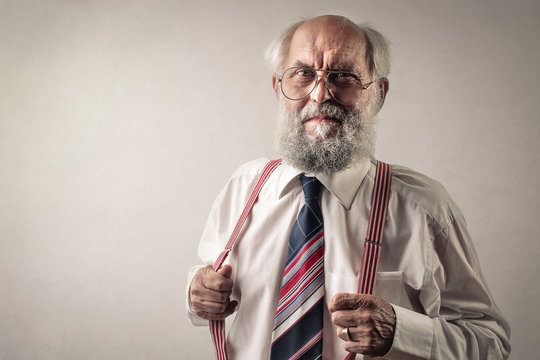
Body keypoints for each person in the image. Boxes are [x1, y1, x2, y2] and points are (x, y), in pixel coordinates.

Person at [186, 15, 511, 359]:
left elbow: (490, 343)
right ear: (278, 88)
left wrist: (401, 332)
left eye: (344, 76)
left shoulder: (423, 208)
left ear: (379, 93)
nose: (321, 93)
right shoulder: (243, 187)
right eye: (303, 74)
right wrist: (197, 293)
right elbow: (206, 283)